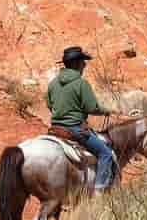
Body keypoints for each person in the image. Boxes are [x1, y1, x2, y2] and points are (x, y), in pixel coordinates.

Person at [47, 46, 118, 189]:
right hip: (75, 129)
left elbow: (49, 104)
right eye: (82, 62)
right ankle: (99, 191)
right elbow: (91, 107)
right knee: (106, 154)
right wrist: (105, 111)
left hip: (55, 128)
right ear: (76, 64)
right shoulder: (81, 83)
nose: (84, 65)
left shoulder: (53, 83)